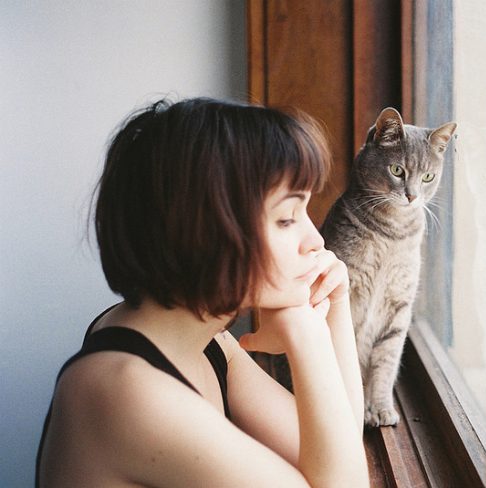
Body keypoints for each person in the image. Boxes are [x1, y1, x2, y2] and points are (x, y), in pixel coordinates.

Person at [35, 98, 369, 487]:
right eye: (286, 219)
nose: (314, 240)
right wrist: (306, 336)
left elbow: (340, 449)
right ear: (206, 229)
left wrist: (336, 307)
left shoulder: (206, 343)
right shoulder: (124, 389)